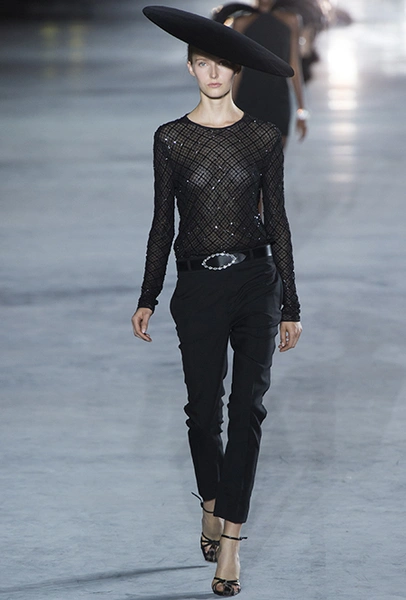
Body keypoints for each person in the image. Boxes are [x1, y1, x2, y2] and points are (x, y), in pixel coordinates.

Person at [132, 6, 302, 597]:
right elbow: (162, 223)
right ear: (190, 68)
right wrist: (148, 295)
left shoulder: (262, 137)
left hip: (256, 281)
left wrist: (291, 304)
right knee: (203, 413)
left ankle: (230, 543)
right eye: (202, 62)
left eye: (221, 64)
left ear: (237, 71)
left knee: (248, 410)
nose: (212, 72)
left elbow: (278, 221)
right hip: (197, 287)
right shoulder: (171, 138)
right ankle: (211, 498)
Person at [214, 0, 309, 147]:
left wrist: (301, 111)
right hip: (247, 100)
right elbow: (237, 70)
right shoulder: (241, 23)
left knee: (275, 156)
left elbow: (294, 65)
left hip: (278, 100)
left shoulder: (291, 21)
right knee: (250, 156)